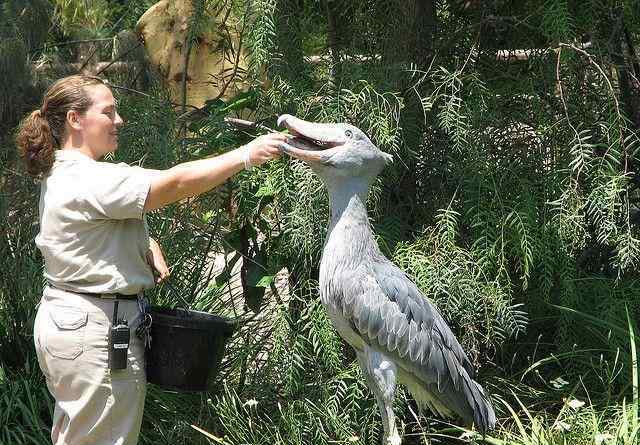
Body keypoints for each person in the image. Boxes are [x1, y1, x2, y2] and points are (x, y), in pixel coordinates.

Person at [15, 74, 286, 445]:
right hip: (96, 332)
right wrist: (245, 155)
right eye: (108, 112)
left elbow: (88, 228)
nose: (119, 120)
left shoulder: (66, 172)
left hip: (72, 321)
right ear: (76, 120)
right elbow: (173, 184)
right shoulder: (88, 178)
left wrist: (143, 241)